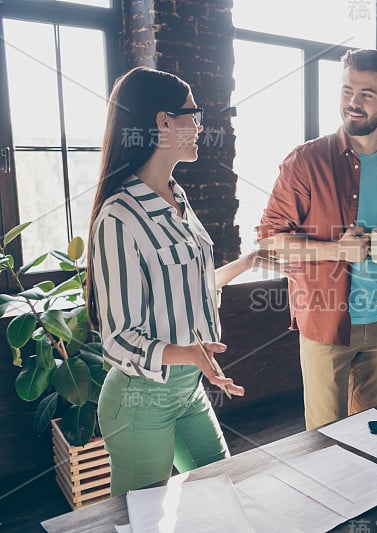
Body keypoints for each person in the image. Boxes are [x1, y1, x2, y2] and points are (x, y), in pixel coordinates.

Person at [86, 67, 264, 496]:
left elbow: (189, 289)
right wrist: (191, 353)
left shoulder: (176, 197)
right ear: (162, 121)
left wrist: (248, 262)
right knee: (142, 521)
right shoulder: (119, 217)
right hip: (139, 400)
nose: (200, 125)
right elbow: (118, 339)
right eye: (193, 114)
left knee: (225, 492)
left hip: (187, 389)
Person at [258, 49, 377, 430]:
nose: (353, 103)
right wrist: (337, 250)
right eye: (347, 91)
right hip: (325, 324)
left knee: (370, 432)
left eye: (366, 94)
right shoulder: (306, 161)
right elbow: (269, 239)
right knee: (324, 442)